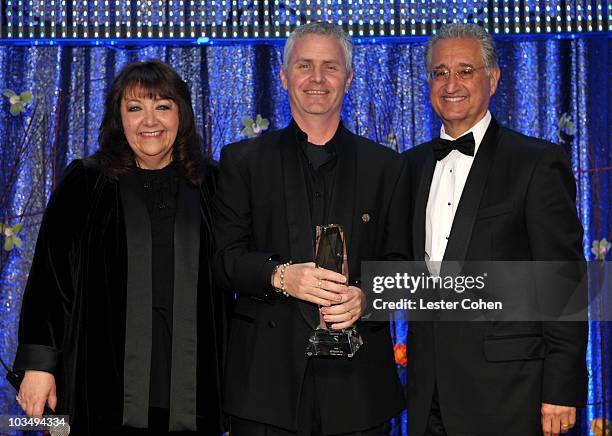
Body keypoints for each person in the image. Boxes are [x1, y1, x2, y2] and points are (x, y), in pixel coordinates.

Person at [214, 22, 408, 436]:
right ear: (284, 76)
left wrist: (365, 297)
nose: (317, 79)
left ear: (349, 78)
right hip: (264, 389)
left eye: (330, 67)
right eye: (304, 65)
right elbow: (224, 260)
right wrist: (282, 276)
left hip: (360, 393)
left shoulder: (387, 168)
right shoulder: (241, 162)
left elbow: (402, 264)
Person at [13, 60, 227, 435]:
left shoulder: (213, 184)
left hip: (194, 393)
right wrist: (39, 365)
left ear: (182, 115)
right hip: (103, 390)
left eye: (162, 106)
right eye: (135, 108)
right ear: (118, 118)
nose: (150, 121)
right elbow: (51, 279)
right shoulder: (86, 182)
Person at [403, 23, 588, 436]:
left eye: (466, 71)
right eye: (440, 73)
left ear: (494, 79)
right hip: (426, 395)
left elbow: (564, 281)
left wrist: (561, 388)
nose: (451, 84)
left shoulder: (536, 163)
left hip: (511, 396)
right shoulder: (410, 167)